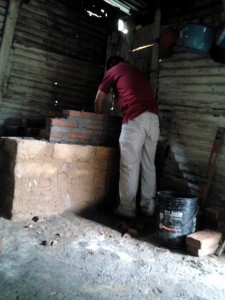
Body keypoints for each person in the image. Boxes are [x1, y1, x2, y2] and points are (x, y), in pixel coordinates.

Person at [95, 56, 159, 218]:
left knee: (130, 165)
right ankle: (148, 207)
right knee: (148, 164)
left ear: (111, 66)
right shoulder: (137, 71)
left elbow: (99, 99)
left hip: (135, 119)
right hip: (153, 120)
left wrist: (99, 118)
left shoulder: (114, 70)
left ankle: (126, 209)